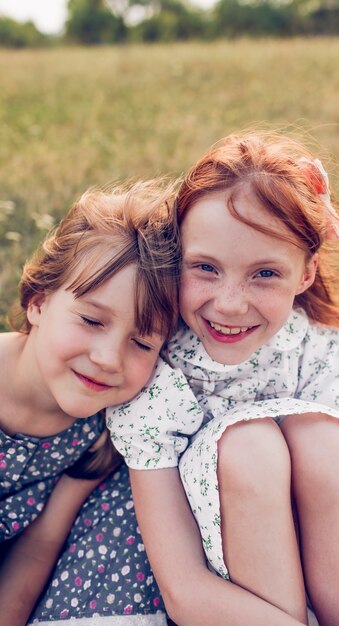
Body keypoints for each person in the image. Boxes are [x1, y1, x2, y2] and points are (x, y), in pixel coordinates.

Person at [108, 132, 339, 626]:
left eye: (264, 273)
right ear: (174, 255)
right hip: (229, 606)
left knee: (328, 441)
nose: (229, 304)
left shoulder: (323, 356)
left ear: (307, 273)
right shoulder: (156, 374)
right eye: (205, 267)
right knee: (250, 448)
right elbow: (183, 591)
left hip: (335, 586)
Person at [0, 180, 179, 626]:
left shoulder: (104, 430)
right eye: (91, 320)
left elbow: (40, 544)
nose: (107, 359)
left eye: (141, 343)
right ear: (39, 304)